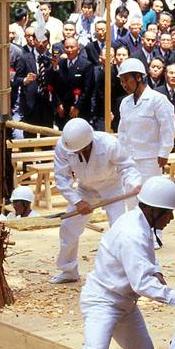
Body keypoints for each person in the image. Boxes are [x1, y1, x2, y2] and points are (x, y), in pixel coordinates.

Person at [27, 177, 175, 349]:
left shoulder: (141, 223)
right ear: (153, 210)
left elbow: (147, 259)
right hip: (103, 302)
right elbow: (141, 283)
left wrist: (157, 272)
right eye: (168, 212)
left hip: (124, 303)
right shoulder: (131, 233)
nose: (171, 217)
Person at [49, 119, 143, 284]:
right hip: (85, 189)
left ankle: (125, 273)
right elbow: (61, 178)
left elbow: (127, 166)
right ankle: (69, 270)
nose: (77, 153)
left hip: (112, 188)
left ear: (88, 143)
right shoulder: (63, 146)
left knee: (120, 230)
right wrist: (77, 201)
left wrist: (134, 184)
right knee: (68, 228)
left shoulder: (109, 143)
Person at [115, 58, 174, 180]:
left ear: (138, 77)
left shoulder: (158, 99)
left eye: (126, 80)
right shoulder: (125, 102)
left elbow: (167, 127)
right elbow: (122, 131)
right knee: (129, 190)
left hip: (150, 159)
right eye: (121, 81)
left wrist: (164, 152)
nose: (124, 85)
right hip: (129, 158)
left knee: (149, 190)